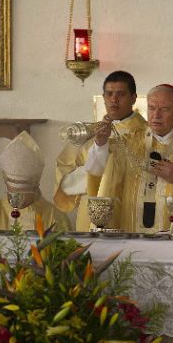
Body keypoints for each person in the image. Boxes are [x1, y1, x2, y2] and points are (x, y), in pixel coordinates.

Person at [85, 84, 173, 233]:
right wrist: (100, 143)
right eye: (151, 108)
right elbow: (97, 171)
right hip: (130, 235)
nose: (156, 115)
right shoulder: (127, 142)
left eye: (164, 109)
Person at [53, 71, 147, 231]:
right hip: (91, 216)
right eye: (109, 94)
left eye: (121, 94)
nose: (113, 100)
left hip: (132, 215)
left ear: (133, 98)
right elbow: (65, 184)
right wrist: (99, 149)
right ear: (103, 97)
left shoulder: (148, 135)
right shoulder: (87, 135)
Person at [0, 131, 72, 232]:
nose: (19, 198)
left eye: (25, 191)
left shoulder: (56, 218)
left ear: (36, 186)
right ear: (6, 183)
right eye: (13, 191)